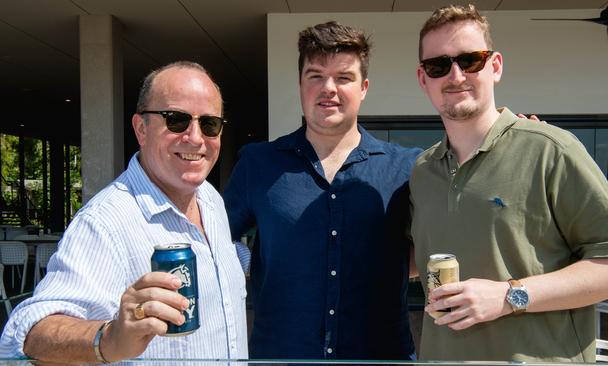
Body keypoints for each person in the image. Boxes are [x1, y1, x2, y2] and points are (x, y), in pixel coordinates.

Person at [410, 5, 608, 362]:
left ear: (496, 66)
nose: (455, 75)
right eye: (438, 65)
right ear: (423, 79)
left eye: (470, 60)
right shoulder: (423, 171)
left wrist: (508, 296)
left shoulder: (551, 149)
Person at [0, 61, 248, 363]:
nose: (195, 137)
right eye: (176, 120)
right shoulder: (104, 222)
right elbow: (31, 332)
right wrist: (109, 338)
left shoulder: (211, 199)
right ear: (141, 129)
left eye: (209, 123)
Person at [224, 21, 420, 359]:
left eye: (344, 77)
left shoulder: (407, 168)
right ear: (300, 85)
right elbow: (213, 240)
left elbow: (451, 230)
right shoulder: (258, 163)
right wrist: (254, 261)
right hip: (281, 356)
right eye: (315, 76)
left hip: (381, 357)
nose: (328, 87)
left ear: (364, 88)